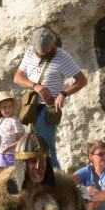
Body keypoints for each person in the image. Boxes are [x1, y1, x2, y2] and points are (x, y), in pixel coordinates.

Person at [14, 26, 88, 169]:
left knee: (47, 151)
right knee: (29, 151)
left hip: (46, 109)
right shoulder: (29, 52)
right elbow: (18, 77)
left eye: (46, 51)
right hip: (30, 108)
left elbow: (82, 81)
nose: (43, 54)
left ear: (52, 45)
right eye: (40, 52)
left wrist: (63, 93)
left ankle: (56, 184)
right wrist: (34, 85)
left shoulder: (62, 57)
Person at [71, 141, 105, 210]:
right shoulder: (87, 171)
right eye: (101, 154)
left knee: (89, 190)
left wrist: (88, 198)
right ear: (91, 157)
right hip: (92, 206)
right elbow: (68, 182)